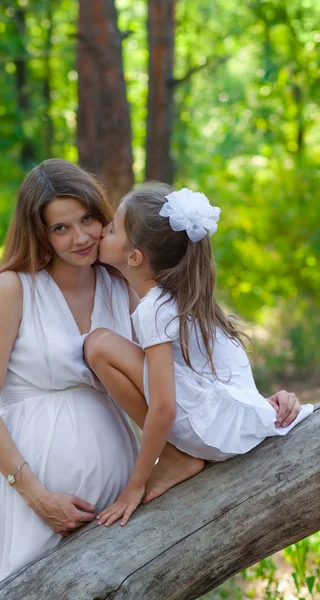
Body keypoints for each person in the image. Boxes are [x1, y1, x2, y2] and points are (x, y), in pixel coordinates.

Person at [84, 183, 313, 527]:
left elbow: (164, 407)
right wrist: (263, 406)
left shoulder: (155, 309)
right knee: (105, 344)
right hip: (227, 431)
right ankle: (178, 454)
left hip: (207, 437)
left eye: (112, 229)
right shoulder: (187, 299)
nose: (102, 230)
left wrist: (136, 484)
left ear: (134, 258)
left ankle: (175, 457)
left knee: (98, 344)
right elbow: (218, 376)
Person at [0, 159, 139, 593]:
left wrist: (255, 405)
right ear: (38, 233)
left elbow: (173, 373)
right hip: (33, 493)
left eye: (86, 219)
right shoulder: (14, 288)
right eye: (60, 228)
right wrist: (37, 496)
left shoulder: (122, 285)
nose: (80, 237)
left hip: (117, 491)